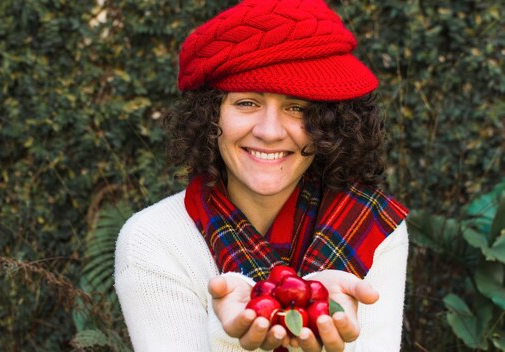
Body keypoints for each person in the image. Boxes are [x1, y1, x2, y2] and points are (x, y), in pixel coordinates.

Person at [114, 0, 409, 351]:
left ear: (330, 123)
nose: (270, 132)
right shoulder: (153, 239)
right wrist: (234, 337)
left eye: (296, 107)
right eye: (247, 103)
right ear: (210, 117)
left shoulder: (371, 226)